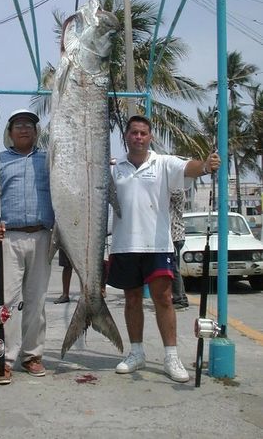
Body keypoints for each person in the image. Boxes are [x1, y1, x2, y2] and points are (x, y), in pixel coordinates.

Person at [107, 115, 220, 383]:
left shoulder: (164, 164)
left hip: (157, 245)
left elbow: (189, 168)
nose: (138, 137)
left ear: (150, 137)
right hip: (124, 246)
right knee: (132, 300)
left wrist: (205, 166)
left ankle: (171, 356)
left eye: (143, 133)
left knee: (164, 299)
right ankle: (136, 352)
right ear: (126, 136)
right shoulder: (113, 168)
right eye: (133, 132)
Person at [0, 108, 54, 385]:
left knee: (37, 301)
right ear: (9, 133)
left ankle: (32, 355)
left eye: (30, 125)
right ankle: (2, 359)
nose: (24, 129)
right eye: (18, 125)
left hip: (42, 236)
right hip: (7, 238)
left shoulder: (48, 161)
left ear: (36, 132)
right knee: (3, 302)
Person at [170, 189, 189, 311]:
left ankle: (180, 299)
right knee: (174, 267)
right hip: (175, 235)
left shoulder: (176, 190)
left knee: (174, 268)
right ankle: (180, 297)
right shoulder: (178, 189)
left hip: (174, 235)